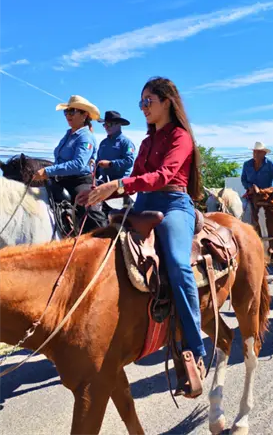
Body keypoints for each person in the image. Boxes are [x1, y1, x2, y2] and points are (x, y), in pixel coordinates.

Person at [80, 77, 208, 398]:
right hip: (144, 203)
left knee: (178, 267)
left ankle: (197, 348)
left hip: (174, 204)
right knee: (105, 249)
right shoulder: (148, 141)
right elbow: (138, 176)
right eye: (141, 103)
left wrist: (118, 185)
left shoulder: (181, 137)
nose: (143, 108)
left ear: (167, 101)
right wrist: (115, 187)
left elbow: (164, 175)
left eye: (148, 101)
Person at [32, 95, 107, 232]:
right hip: (61, 180)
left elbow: (78, 164)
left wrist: (48, 171)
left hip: (80, 182)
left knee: (89, 209)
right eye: (66, 112)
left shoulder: (85, 137)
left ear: (84, 115)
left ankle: (103, 238)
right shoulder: (67, 135)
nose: (68, 115)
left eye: (72, 111)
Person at [96, 111, 136, 212]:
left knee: (122, 210)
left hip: (121, 182)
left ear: (119, 125)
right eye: (105, 124)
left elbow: (129, 161)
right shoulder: (103, 143)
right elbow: (97, 163)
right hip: (104, 181)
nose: (106, 127)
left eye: (109, 124)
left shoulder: (126, 143)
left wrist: (110, 164)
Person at [240, 142, 273, 214]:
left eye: (259, 152)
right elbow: (243, 180)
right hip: (252, 195)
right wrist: (249, 187)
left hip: (267, 196)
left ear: (264, 153)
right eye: (254, 152)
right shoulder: (247, 164)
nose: (256, 154)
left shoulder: (270, 164)